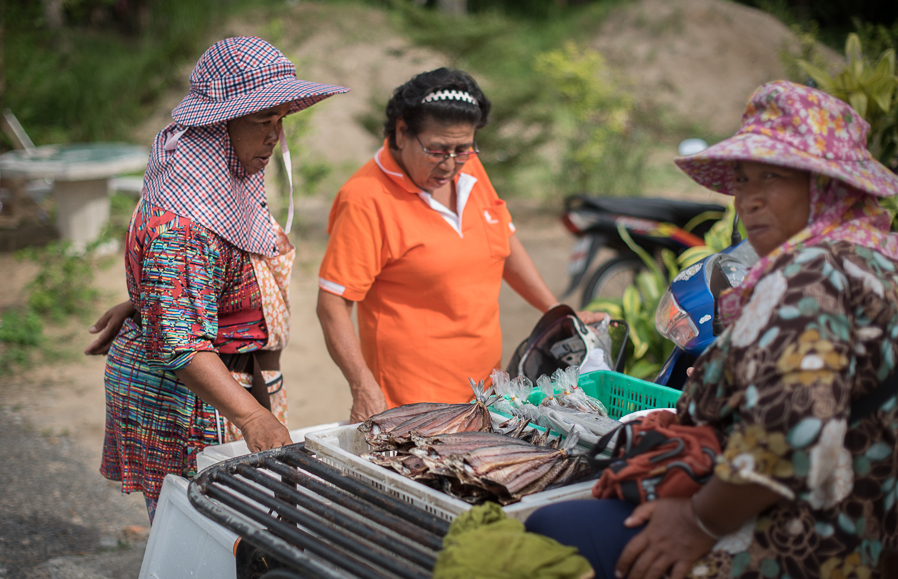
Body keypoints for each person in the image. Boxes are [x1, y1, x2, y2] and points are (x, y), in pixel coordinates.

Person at [525, 80, 898, 579]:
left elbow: (790, 441)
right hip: (877, 541)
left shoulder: (810, 280)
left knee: (550, 531)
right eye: (743, 180)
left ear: (828, 186)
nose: (750, 198)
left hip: (807, 567)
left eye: (774, 177)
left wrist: (698, 524)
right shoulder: (886, 265)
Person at [87, 37, 348, 522]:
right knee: (201, 539)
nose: (274, 136)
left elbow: (203, 282)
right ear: (216, 126)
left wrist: (149, 302)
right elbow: (182, 345)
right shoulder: (186, 224)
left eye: (279, 121)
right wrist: (250, 415)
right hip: (196, 400)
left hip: (235, 383)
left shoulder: (227, 188)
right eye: (260, 122)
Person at [316, 68, 600, 422]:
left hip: (486, 393)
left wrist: (557, 313)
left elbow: (504, 243)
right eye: (436, 150)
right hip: (413, 403)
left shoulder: (470, 169)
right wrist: (363, 387)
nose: (450, 164)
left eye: (462, 148)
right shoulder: (365, 200)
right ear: (402, 132)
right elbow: (332, 304)